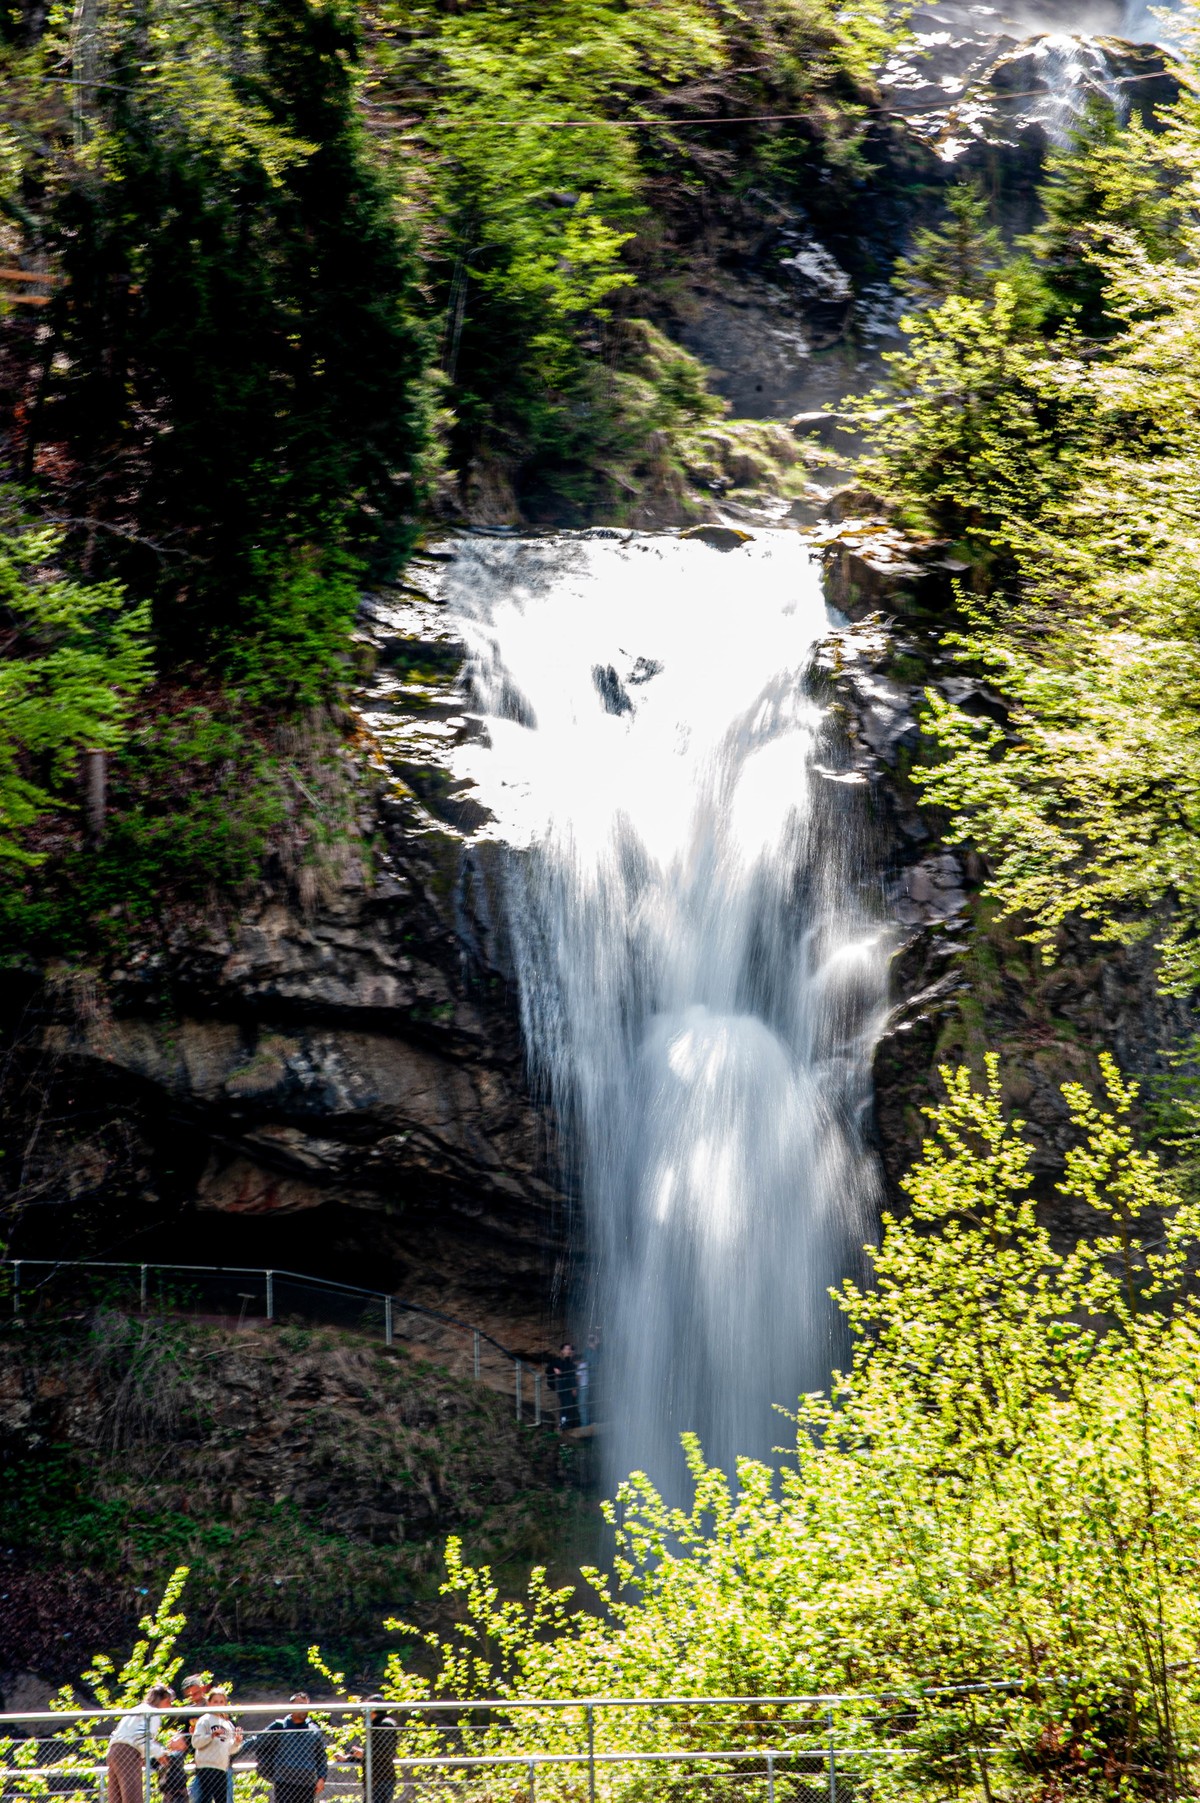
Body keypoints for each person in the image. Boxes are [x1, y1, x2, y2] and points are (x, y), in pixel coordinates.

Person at [106, 1686, 178, 1803]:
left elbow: (133, 1735)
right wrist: (160, 1753)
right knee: (132, 1797)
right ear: (162, 1700)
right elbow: (141, 1739)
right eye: (168, 1702)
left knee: (116, 1798)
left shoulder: (138, 1709)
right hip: (127, 1754)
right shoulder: (152, 1713)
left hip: (113, 1751)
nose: (169, 1706)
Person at [251, 1693, 328, 1803]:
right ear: (291, 1706)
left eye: (306, 1705)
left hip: (307, 1783)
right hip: (284, 1783)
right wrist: (235, 1750)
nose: (304, 1709)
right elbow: (257, 1742)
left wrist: (322, 1778)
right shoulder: (280, 1726)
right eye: (300, 1704)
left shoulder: (314, 1730)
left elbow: (321, 1756)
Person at [191, 1691, 243, 1803]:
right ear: (209, 1703)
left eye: (221, 1702)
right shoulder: (204, 1720)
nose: (218, 1704)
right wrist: (211, 1736)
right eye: (215, 1702)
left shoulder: (227, 1724)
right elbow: (196, 1742)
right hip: (206, 1767)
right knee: (204, 1799)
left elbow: (229, 1749)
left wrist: (237, 1742)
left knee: (222, 1799)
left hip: (221, 1768)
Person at [348, 1699, 400, 1803]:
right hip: (375, 1780)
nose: (363, 1713)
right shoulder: (375, 1725)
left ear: (372, 1710)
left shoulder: (385, 1724)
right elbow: (373, 1753)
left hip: (382, 1779)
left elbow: (387, 1753)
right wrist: (349, 1758)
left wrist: (364, 1754)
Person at [547, 1342, 578, 1431]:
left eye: (570, 1349)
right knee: (565, 1405)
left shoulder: (571, 1363)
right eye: (567, 1349)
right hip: (562, 1386)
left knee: (569, 1405)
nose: (569, 1351)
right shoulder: (558, 1361)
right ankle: (563, 1423)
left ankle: (567, 1423)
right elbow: (548, 1369)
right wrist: (554, 1369)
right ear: (562, 1351)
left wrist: (574, 1387)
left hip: (569, 1386)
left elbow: (572, 1376)